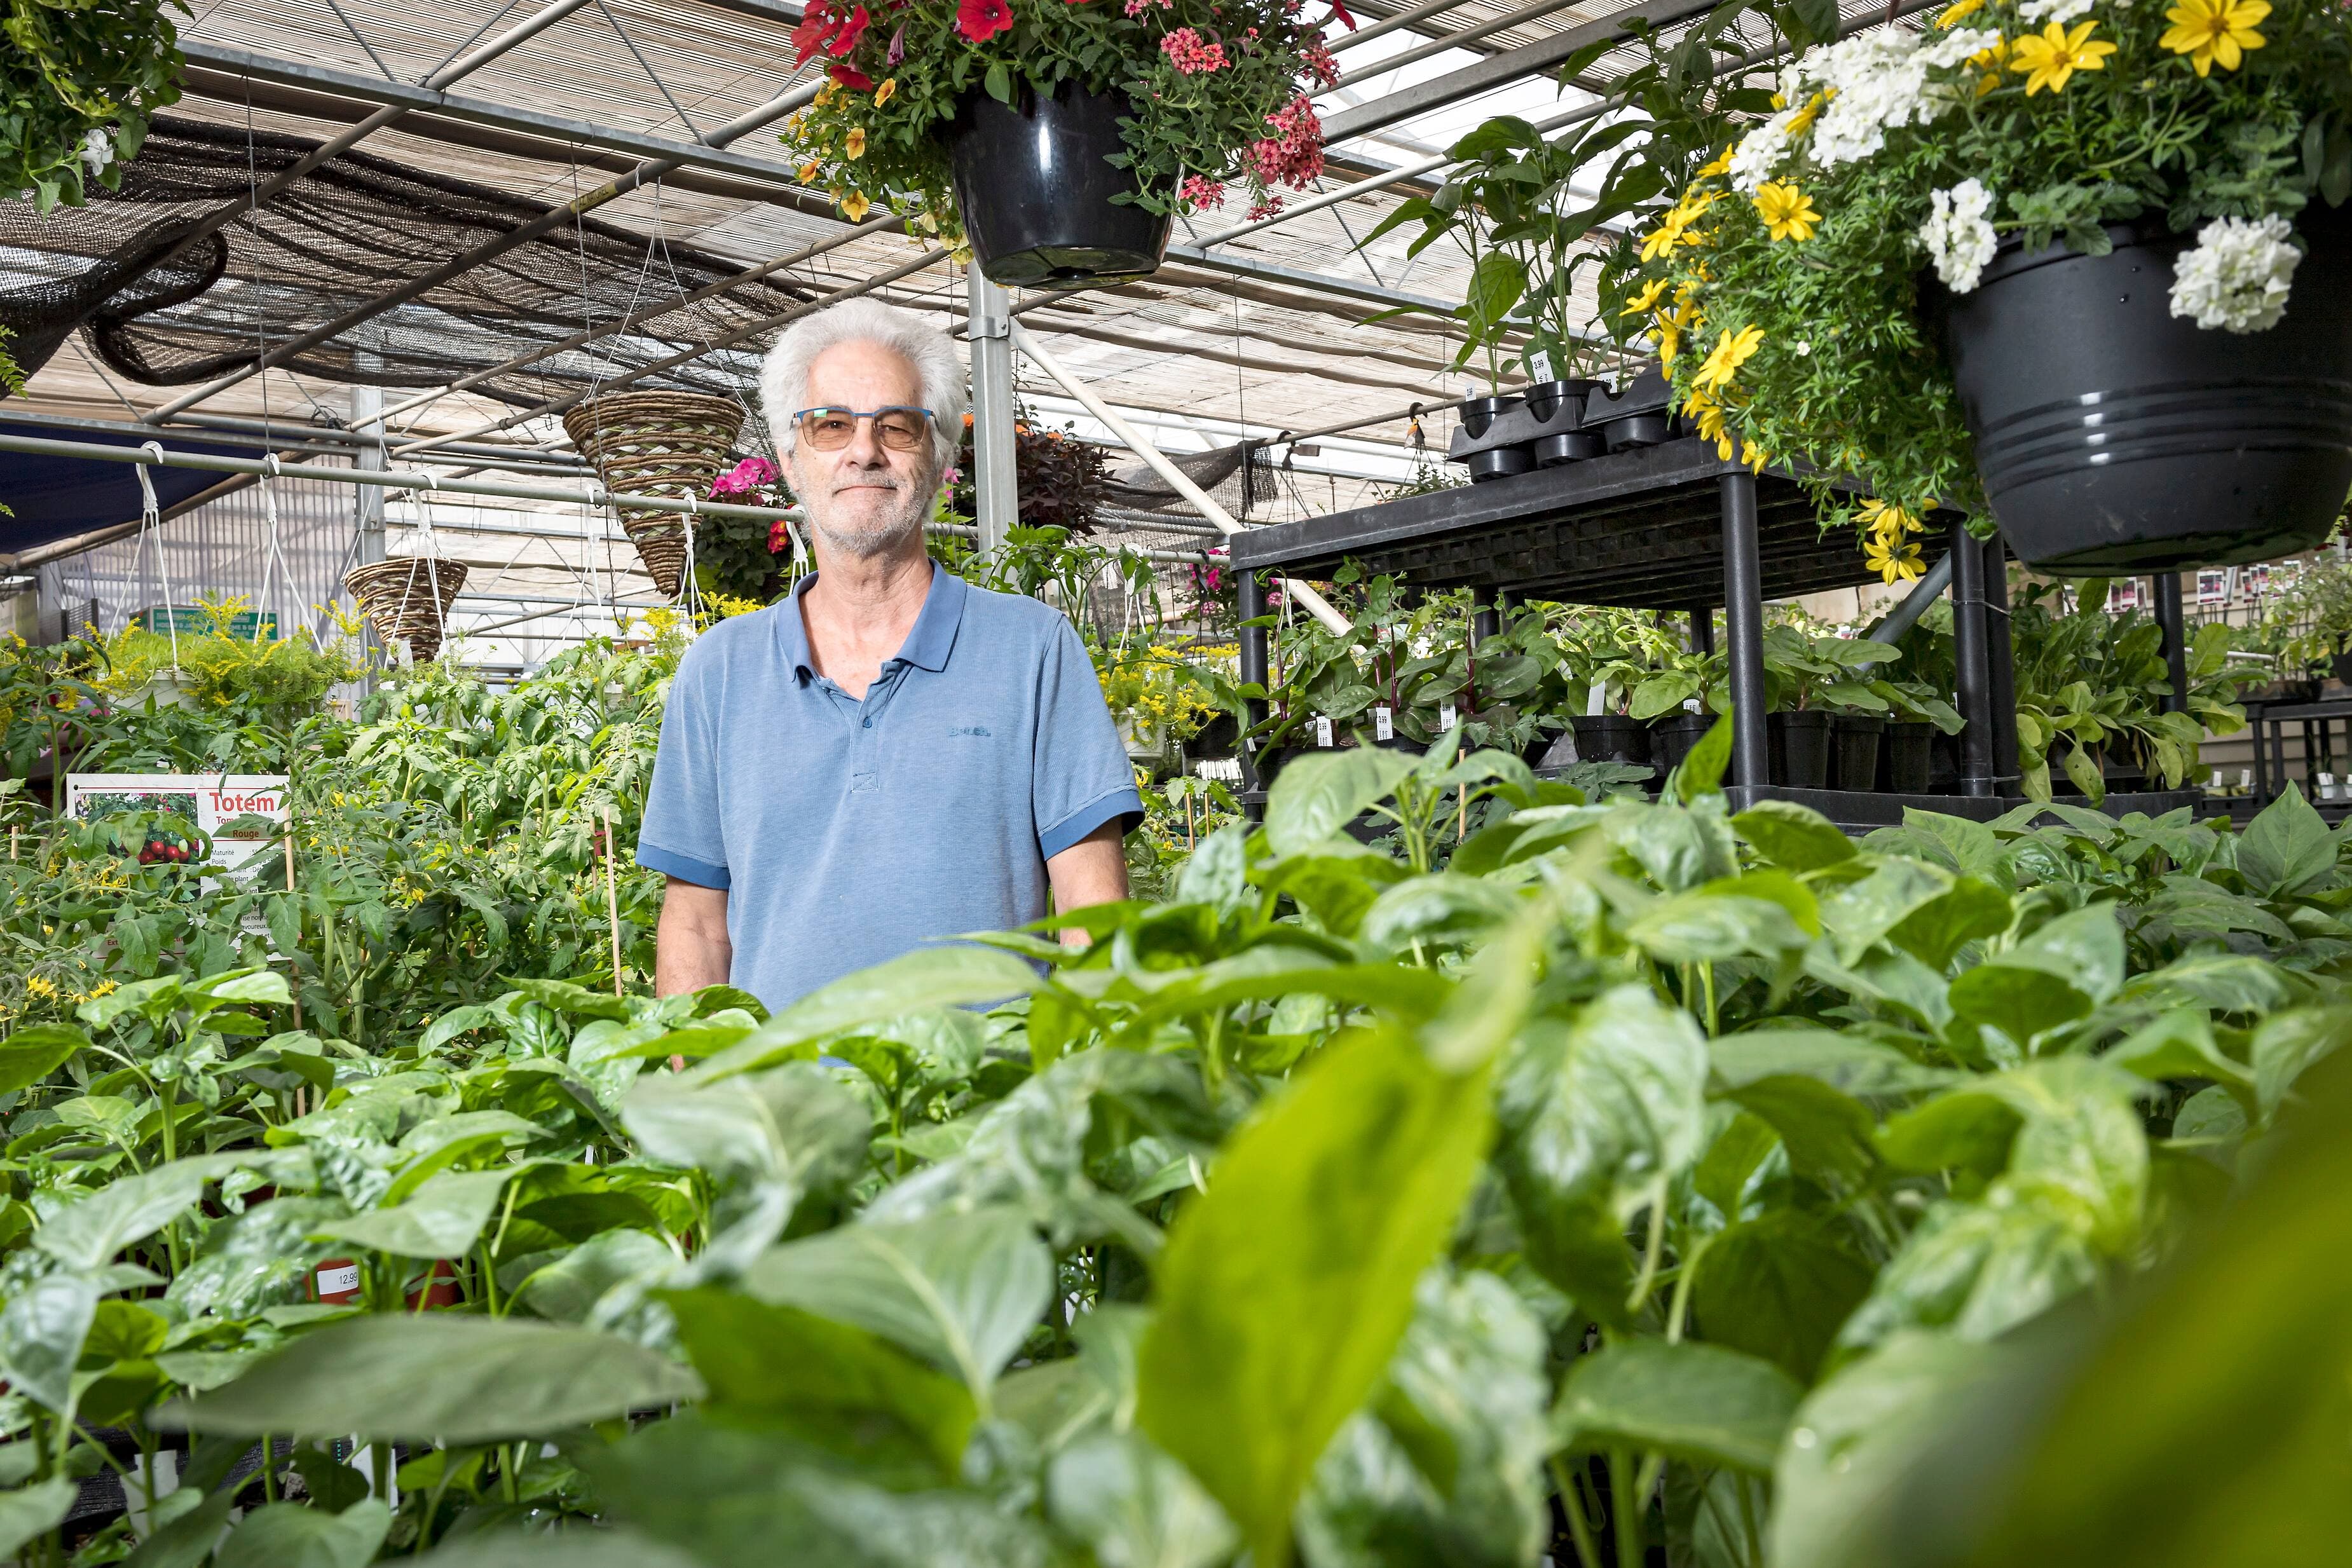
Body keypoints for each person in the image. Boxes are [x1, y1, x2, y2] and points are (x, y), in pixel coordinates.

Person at [636, 299, 1142, 1011]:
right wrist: (703, 1101)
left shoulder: (1032, 650)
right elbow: (694, 923)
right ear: (789, 459)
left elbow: (1093, 912)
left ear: (939, 461)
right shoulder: (718, 673)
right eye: (831, 425)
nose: (863, 451)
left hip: (981, 1108)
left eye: (897, 427)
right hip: (783, 1112)